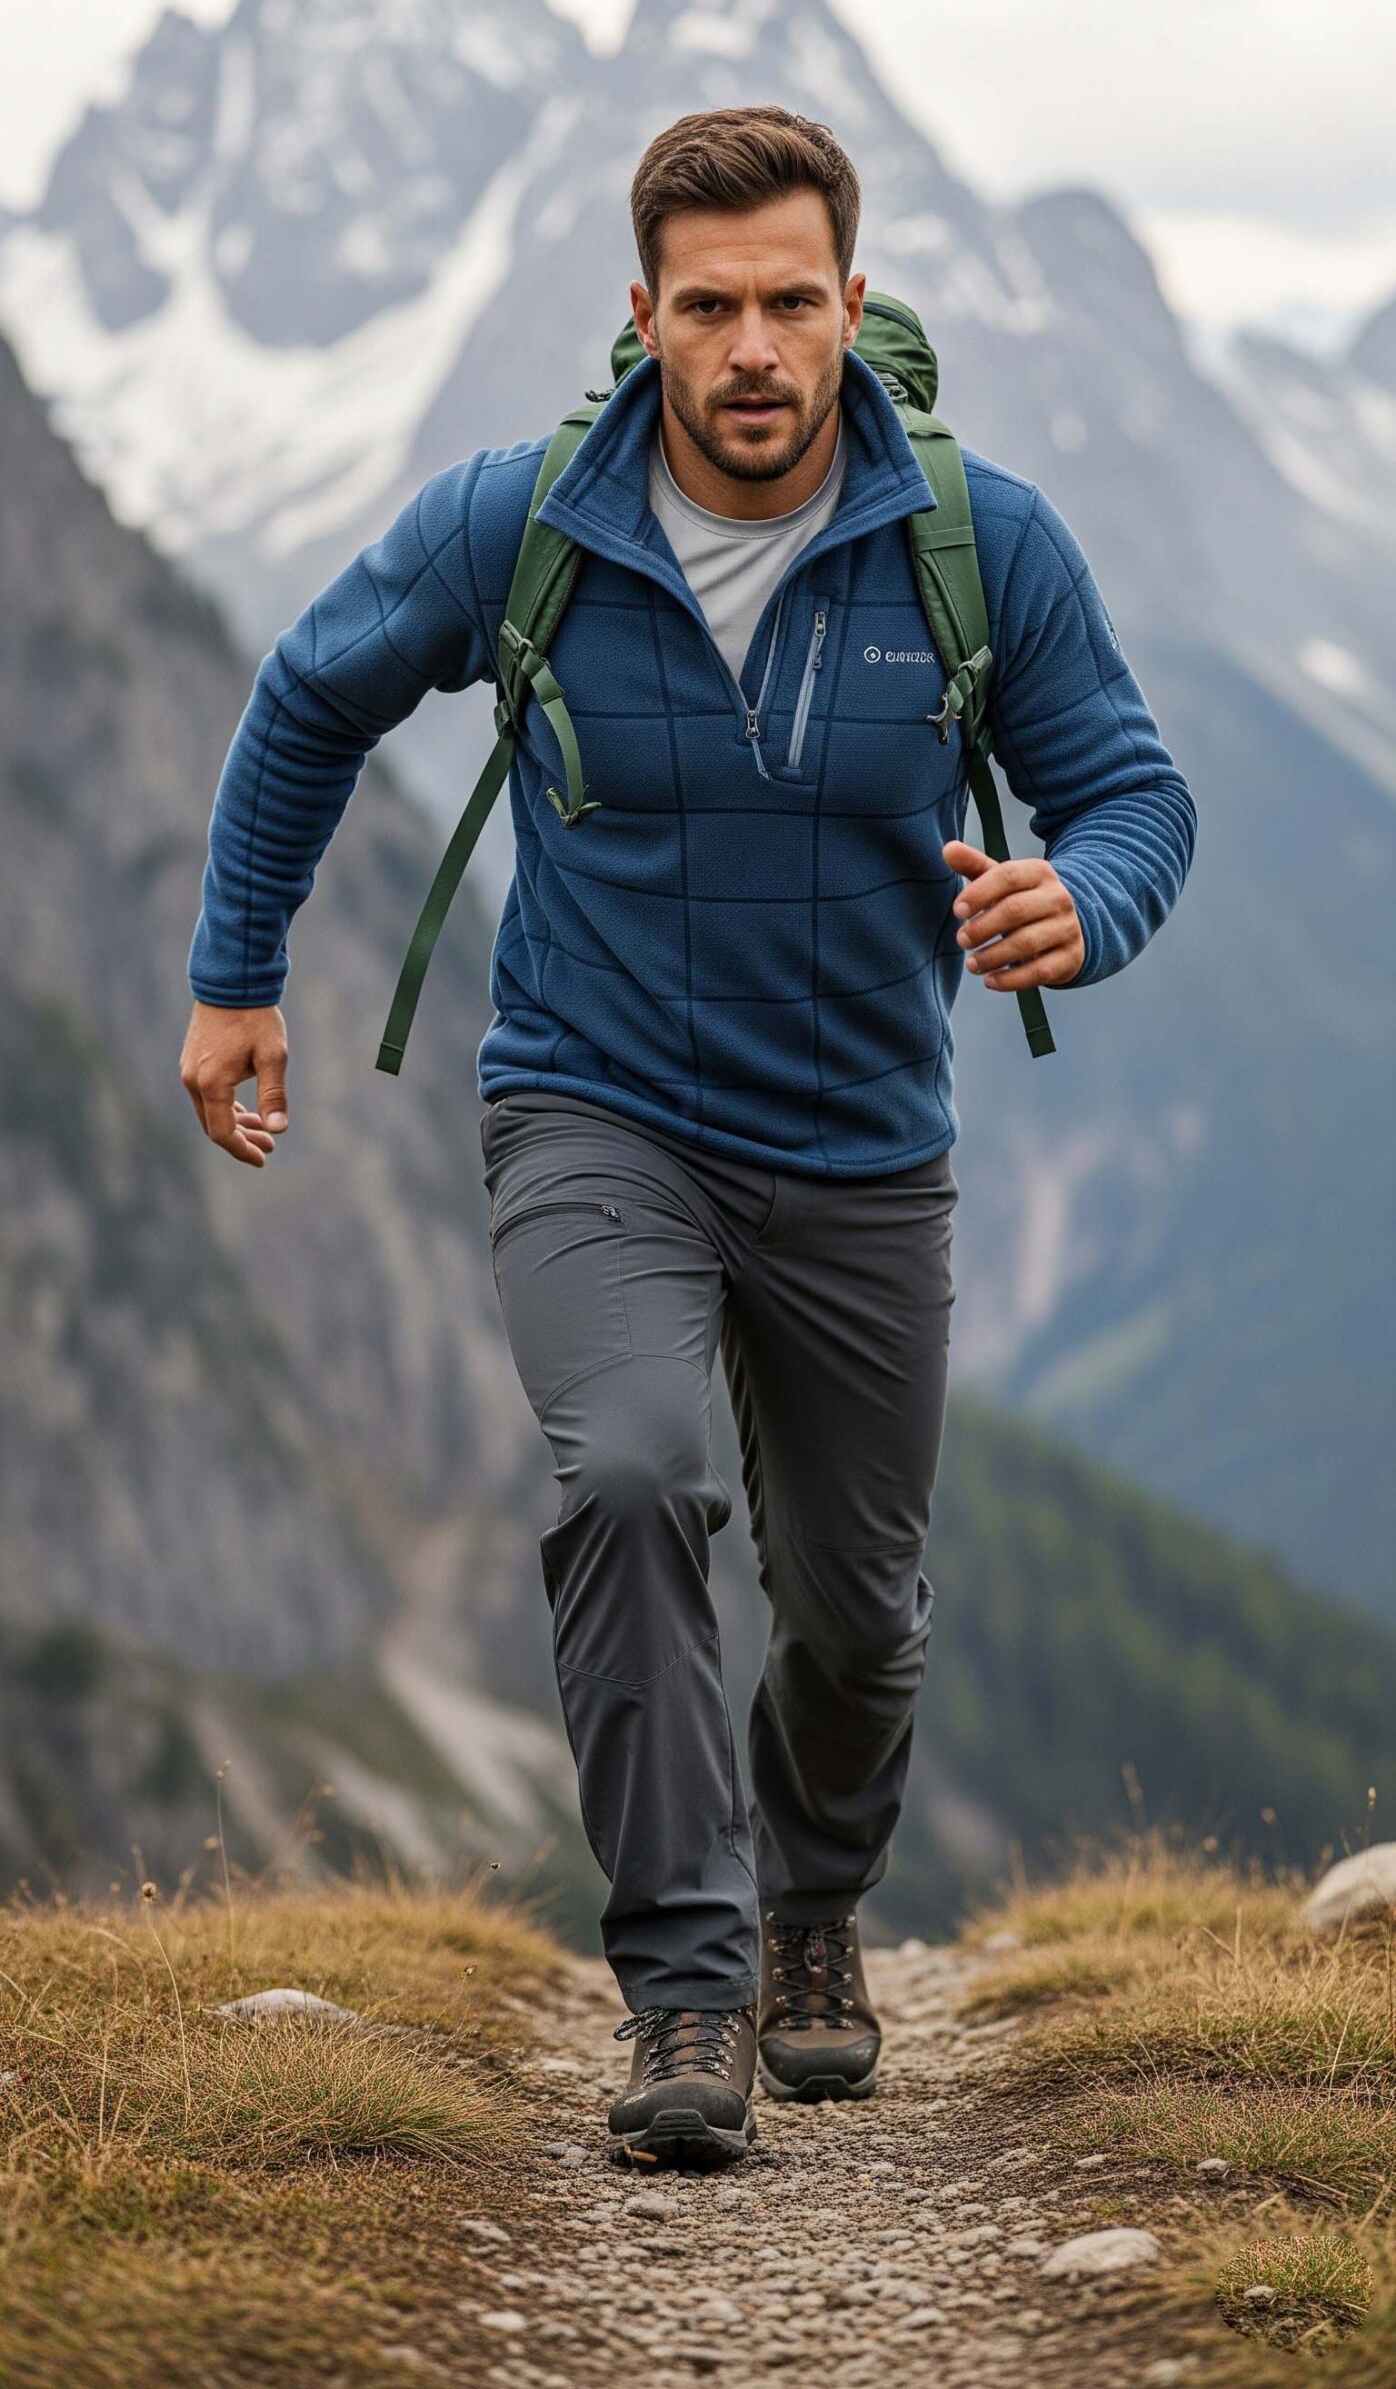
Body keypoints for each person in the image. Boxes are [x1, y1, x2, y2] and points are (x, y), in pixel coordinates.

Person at [181, 104, 1197, 2168]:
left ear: (850, 304)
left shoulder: (977, 542)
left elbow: (1131, 792)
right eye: (708, 306)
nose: (751, 348)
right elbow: (307, 697)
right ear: (640, 314)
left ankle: (814, 1908)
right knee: (630, 1475)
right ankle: (686, 1983)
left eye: (789, 303)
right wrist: (235, 973)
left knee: (859, 1610)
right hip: (595, 1110)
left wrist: (1081, 903)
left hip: (863, 1145)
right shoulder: (520, 522)